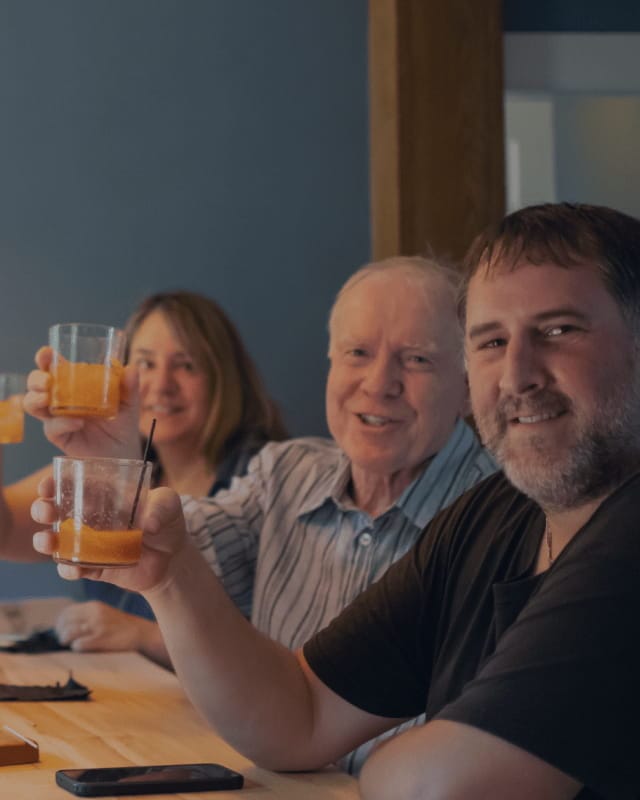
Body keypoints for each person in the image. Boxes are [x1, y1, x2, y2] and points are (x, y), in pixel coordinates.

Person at [31, 203, 640, 798]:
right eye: (490, 341)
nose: (517, 374)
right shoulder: (492, 513)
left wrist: (374, 773)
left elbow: (440, 785)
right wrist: (168, 574)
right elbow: (300, 718)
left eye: (559, 331)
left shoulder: (620, 530)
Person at [25, 255, 496, 773]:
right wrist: (111, 459)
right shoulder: (284, 474)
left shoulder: (508, 519)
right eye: (357, 353)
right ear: (331, 362)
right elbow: (161, 547)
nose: (379, 383)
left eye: (418, 360)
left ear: (471, 385)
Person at [1, 290, 287, 663]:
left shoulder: (264, 478)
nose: (162, 384)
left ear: (225, 379)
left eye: (186, 365)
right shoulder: (112, 468)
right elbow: (5, 531)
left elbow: (283, 660)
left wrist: (143, 635)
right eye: (147, 364)